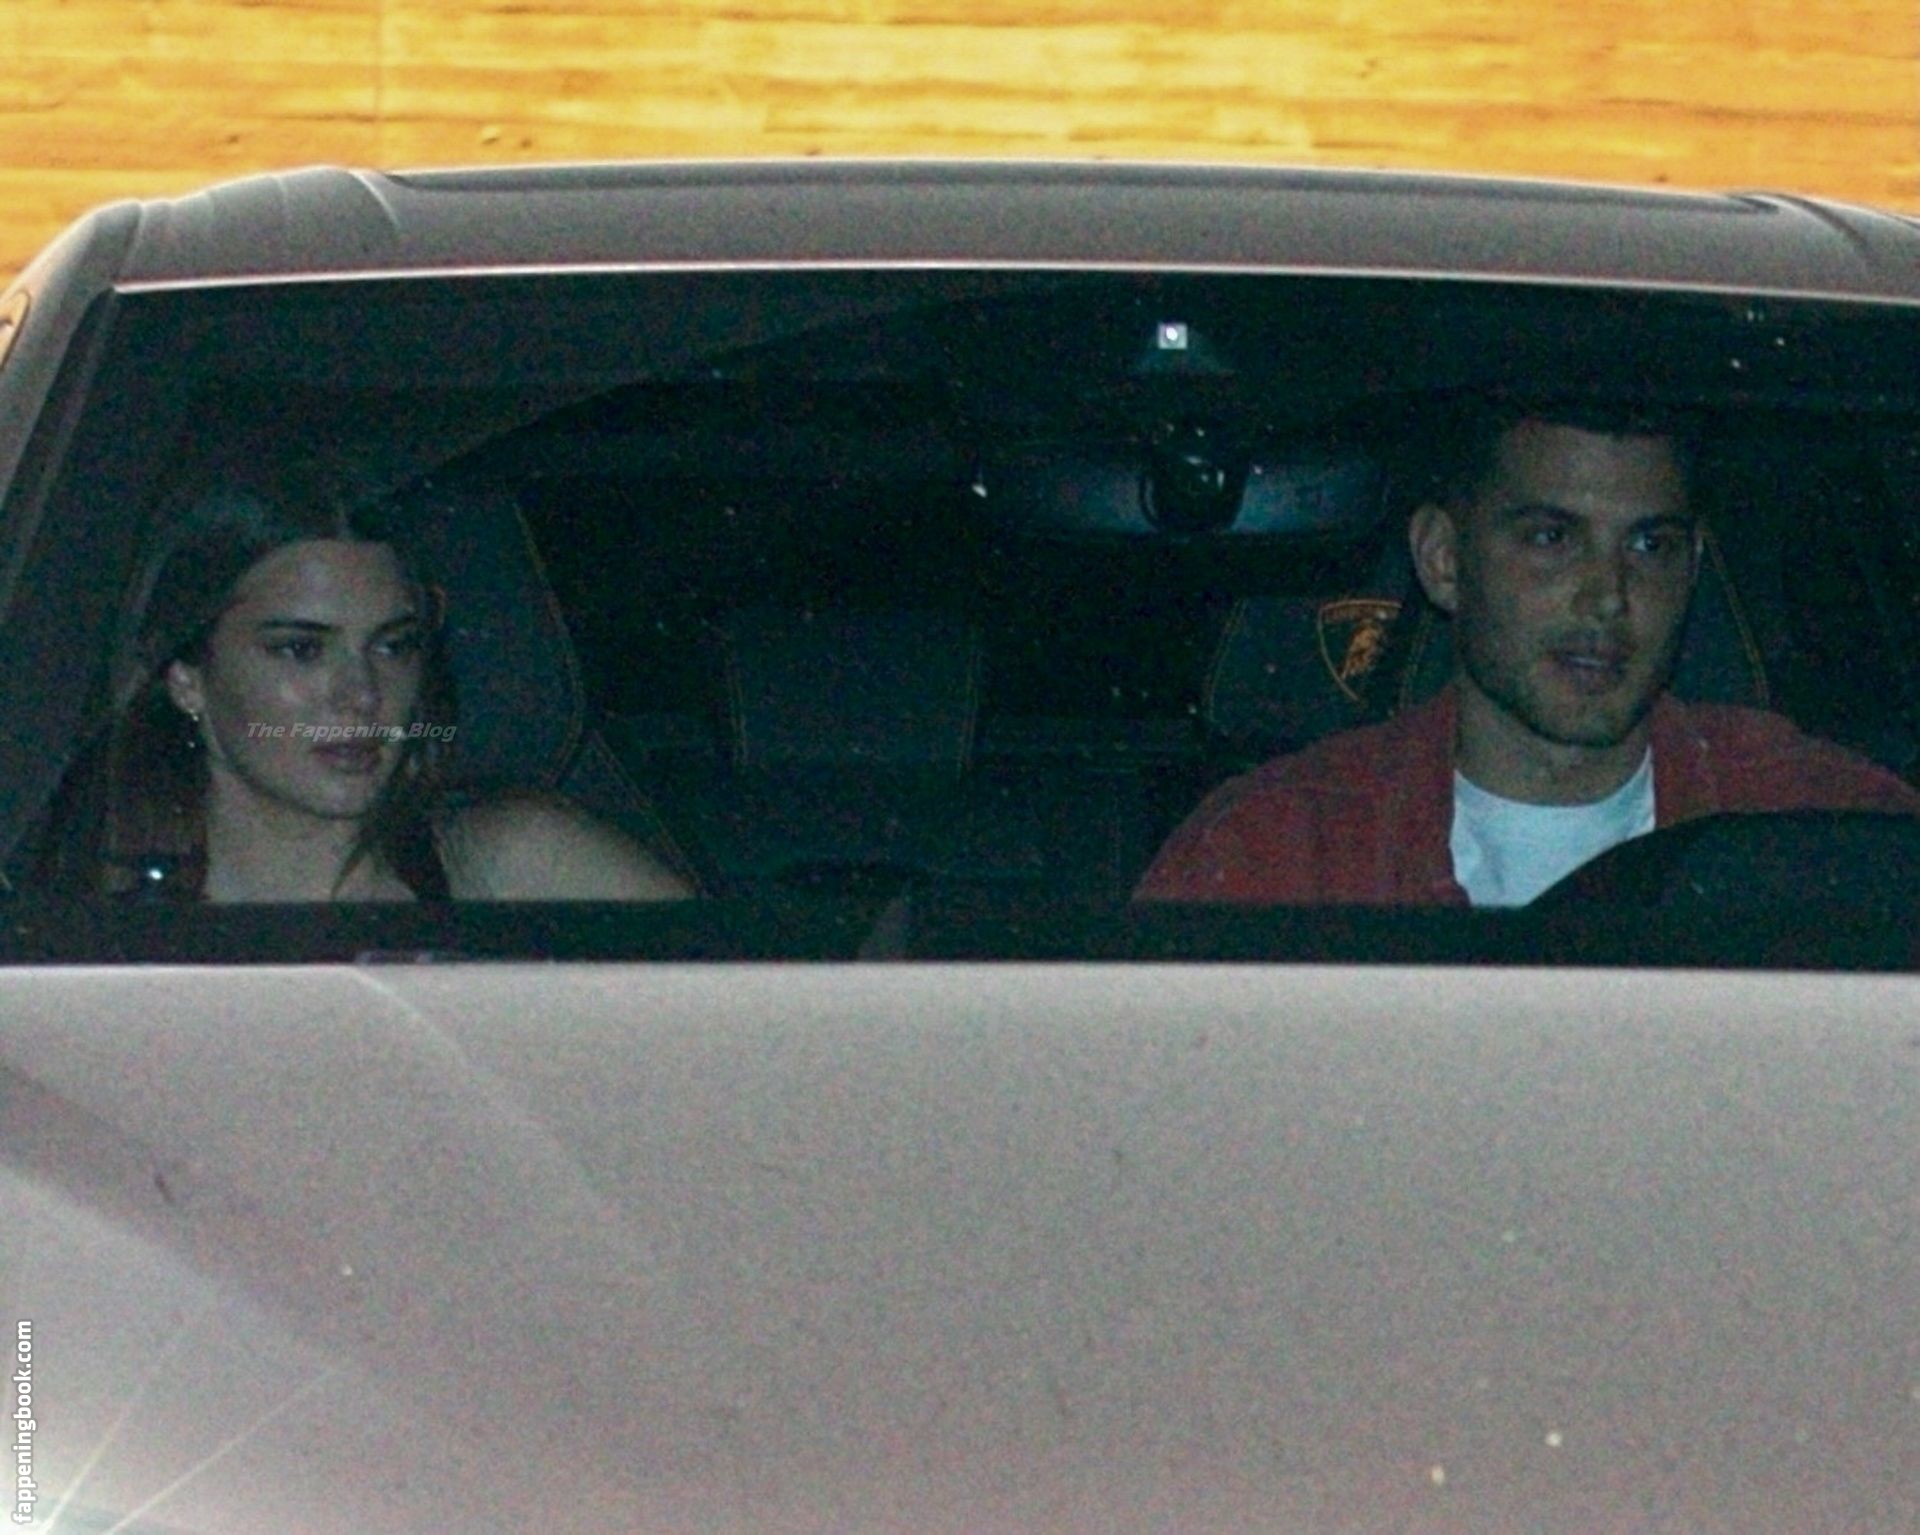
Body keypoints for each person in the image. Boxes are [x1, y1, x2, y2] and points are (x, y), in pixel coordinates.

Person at [1136, 399, 1920, 906]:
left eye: (1649, 545)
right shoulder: (1275, 858)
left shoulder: (1839, 832)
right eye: (1552, 538)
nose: (1608, 596)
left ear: (1693, 568)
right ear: (1445, 559)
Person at [54, 470, 694, 903]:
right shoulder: (78, 926)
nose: (360, 696)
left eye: (393, 646)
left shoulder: (518, 868)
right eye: (302, 650)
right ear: (187, 678)